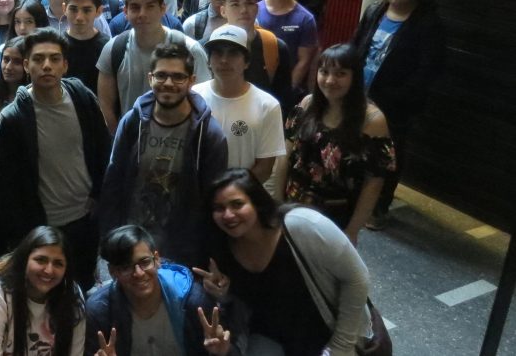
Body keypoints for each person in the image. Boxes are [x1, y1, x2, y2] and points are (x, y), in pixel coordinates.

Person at [205, 168, 374, 356]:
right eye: (219, 208)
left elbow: (357, 279)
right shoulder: (224, 246)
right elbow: (246, 307)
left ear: (257, 202)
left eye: (237, 204)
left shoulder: (303, 225)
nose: (228, 215)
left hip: (330, 336)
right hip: (274, 339)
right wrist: (223, 294)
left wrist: (341, 347)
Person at [0, 28, 110, 291]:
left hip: (85, 217)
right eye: (38, 59)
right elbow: (10, 184)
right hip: (43, 224)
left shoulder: (82, 98)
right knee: (46, 290)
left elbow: (103, 149)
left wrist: (98, 195)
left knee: (82, 285)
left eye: (54, 58)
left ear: (65, 65)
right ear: (27, 65)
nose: (46, 65)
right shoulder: (14, 118)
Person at [98, 42, 228, 266]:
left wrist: (210, 255)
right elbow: (114, 182)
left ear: (191, 81)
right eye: (161, 75)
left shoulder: (209, 135)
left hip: (183, 250)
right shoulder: (133, 122)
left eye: (178, 77)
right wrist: (109, 240)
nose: (168, 83)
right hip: (133, 242)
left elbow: (213, 199)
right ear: (150, 78)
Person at [350, 0, 444, 229]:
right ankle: (355, 197)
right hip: (360, 96)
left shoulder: (427, 23)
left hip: (396, 105)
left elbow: (428, 71)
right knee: (356, 147)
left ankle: (380, 207)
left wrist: (399, 97)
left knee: (388, 157)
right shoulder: (375, 11)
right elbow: (356, 46)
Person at [278, 44, 395, 244]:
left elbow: (374, 182)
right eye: (324, 72)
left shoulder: (372, 121)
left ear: (355, 77)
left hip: (336, 217)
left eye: (341, 74)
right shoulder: (307, 104)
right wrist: (277, 203)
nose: (330, 80)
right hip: (293, 207)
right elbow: (285, 157)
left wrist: (353, 230)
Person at [85, 225, 244, 356]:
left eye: (145, 262)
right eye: (126, 267)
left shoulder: (194, 301)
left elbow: (230, 348)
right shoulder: (100, 311)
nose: (138, 273)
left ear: (157, 259)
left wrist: (223, 352)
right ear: (113, 272)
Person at [97, 0, 209, 133]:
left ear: (163, 9)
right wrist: (120, 138)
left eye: (150, 6)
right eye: (135, 7)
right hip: (131, 138)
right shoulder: (114, 48)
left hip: (180, 139)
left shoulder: (190, 49)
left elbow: (204, 100)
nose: (142, 14)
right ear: (125, 12)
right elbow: (105, 105)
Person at [0, 226, 86, 355]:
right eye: (41, 260)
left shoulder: (72, 295)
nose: (49, 270)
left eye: (58, 263)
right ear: (24, 259)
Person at [192, 24, 285, 185]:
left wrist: (229, 193)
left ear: (247, 62)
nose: (224, 60)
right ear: (209, 61)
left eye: (233, 53)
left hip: (240, 195)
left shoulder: (268, 105)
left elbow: (265, 167)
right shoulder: (193, 96)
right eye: (218, 53)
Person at [217, 0, 293, 112]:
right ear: (223, 11)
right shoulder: (210, 46)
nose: (243, 10)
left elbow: (283, 99)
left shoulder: (274, 46)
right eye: (235, 4)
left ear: (257, 8)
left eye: (250, 3)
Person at [257, 0, 319, 96]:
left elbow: (304, 61)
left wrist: (287, 91)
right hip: (256, 87)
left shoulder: (305, 19)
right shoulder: (253, 11)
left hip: (286, 90)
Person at [60, 0, 110, 95]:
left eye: (86, 10)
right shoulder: (57, 46)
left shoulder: (108, 47)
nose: (79, 17)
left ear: (98, 11)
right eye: (73, 9)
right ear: (64, 9)